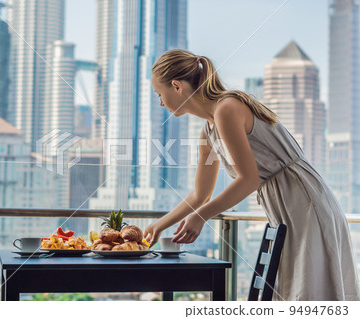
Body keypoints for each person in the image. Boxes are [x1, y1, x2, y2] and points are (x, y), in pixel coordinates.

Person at [144, 49, 360, 301]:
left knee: (307, 295)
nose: (160, 102)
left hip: (304, 202)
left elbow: (249, 180)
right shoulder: (208, 131)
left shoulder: (227, 108)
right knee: (295, 292)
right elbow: (200, 193)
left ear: (176, 86)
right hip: (284, 205)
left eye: (160, 94)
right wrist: (159, 225)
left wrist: (201, 217)